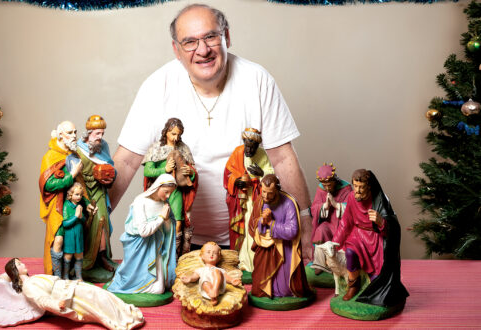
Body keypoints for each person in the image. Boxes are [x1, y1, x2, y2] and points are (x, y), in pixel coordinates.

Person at [109, 3, 313, 263]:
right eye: (190, 42)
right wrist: (98, 220)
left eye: (210, 37)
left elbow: (282, 158)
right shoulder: (157, 86)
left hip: (252, 235)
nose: (202, 50)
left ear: (226, 36)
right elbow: (126, 162)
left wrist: (305, 221)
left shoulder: (257, 80)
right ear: (176, 50)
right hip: (175, 236)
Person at [332, 169, 409, 306]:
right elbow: (345, 223)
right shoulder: (351, 198)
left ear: (369, 186)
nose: (358, 191)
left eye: (361, 187)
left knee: (380, 269)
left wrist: (381, 222)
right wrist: (335, 242)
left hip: (375, 236)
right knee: (350, 253)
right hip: (357, 235)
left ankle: (376, 287)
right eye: (355, 186)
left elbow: (393, 224)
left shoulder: (379, 199)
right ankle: (353, 286)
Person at [4, 258, 144, 329]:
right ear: (15, 271)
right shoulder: (28, 286)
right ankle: (120, 321)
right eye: (19, 264)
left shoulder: (33, 278)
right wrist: (56, 304)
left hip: (68, 286)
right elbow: (41, 300)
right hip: (65, 296)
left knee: (99, 293)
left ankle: (125, 312)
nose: (23, 264)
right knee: (96, 298)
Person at [107, 174, 178, 294]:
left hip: (155, 248)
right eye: (166, 192)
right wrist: (161, 218)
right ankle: (130, 283)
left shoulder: (163, 204)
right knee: (152, 287)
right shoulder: (141, 201)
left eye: (170, 193)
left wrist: (167, 221)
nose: (168, 196)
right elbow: (143, 231)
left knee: (159, 289)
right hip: (139, 247)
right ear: (157, 187)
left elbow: (169, 228)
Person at [66, 115, 116, 275]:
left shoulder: (103, 147)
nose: (100, 137)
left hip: (99, 191)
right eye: (97, 134)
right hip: (83, 192)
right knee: (84, 225)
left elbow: (111, 167)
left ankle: (102, 256)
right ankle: (86, 261)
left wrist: (109, 178)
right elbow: (72, 171)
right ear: (88, 133)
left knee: (102, 222)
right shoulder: (78, 149)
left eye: (102, 133)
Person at [249, 174, 311, 299]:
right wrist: (261, 221)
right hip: (265, 247)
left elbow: (292, 231)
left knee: (284, 288)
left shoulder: (289, 204)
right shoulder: (260, 201)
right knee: (259, 284)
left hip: (285, 250)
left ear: (277, 190)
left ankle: (283, 291)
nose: (266, 196)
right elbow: (252, 225)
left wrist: (271, 223)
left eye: (270, 193)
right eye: (264, 192)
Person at [142, 118, 198, 257]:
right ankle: (159, 255)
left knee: (178, 222)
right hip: (159, 191)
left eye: (178, 134)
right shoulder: (156, 148)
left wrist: (190, 173)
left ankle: (175, 256)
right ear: (166, 132)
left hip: (176, 190)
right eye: (173, 134)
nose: (176, 138)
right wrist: (164, 169)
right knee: (159, 221)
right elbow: (148, 172)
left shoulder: (183, 148)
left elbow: (192, 172)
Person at [39, 121, 86, 276]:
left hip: (73, 203)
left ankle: (70, 274)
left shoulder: (73, 155)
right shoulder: (50, 157)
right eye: (70, 132)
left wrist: (85, 200)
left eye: (75, 132)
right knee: (57, 240)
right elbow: (49, 185)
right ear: (60, 135)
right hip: (57, 205)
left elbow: (79, 183)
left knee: (73, 239)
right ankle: (55, 275)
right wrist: (72, 174)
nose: (74, 136)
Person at [224, 128, 274, 272]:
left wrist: (262, 174)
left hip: (257, 198)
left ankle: (257, 262)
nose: (249, 149)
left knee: (256, 227)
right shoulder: (238, 152)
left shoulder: (263, 154)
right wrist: (236, 181)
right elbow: (228, 174)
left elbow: (271, 178)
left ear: (258, 146)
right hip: (241, 201)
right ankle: (242, 261)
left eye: (253, 147)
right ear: (244, 143)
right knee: (243, 228)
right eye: (247, 145)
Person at [310, 163, 352, 275]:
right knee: (320, 230)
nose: (327, 188)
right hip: (328, 223)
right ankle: (320, 263)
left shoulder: (346, 188)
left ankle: (338, 264)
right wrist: (324, 206)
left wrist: (336, 205)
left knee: (345, 239)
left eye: (329, 185)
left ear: (334, 180)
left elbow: (352, 208)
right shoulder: (321, 189)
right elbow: (314, 208)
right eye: (325, 185)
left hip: (343, 224)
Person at [62, 182, 93, 280]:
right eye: (76, 194)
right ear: (70, 195)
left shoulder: (80, 205)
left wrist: (81, 216)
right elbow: (65, 223)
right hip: (70, 235)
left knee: (79, 256)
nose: (79, 197)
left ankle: (79, 276)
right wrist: (76, 216)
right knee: (68, 256)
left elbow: (83, 220)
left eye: (80, 195)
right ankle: (66, 276)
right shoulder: (67, 205)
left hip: (79, 234)